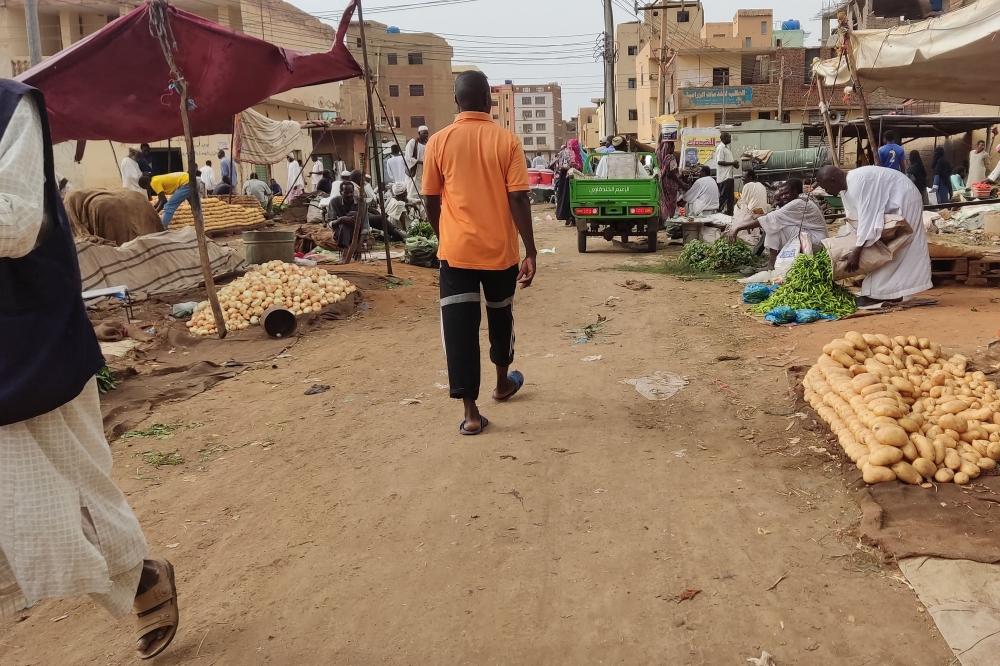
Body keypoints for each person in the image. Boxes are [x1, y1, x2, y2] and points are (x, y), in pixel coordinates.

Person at [0, 79, 179, 661]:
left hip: (27, 343)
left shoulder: (11, 107)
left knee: (64, 497)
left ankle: (139, 574)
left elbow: (14, 224)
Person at [423, 69, 536, 436]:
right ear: (489, 100)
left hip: (455, 254)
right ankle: (503, 384)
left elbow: (430, 199)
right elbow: (518, 197)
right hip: (500, 253)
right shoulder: (507, 141)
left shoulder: (437, 142)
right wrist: (530, 250)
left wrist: (444, 235)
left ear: (457, 101)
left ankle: (471, 415)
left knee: (459, 329)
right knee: (500, 319)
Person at [816, 165, 932, 304]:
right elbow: (854, 219)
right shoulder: (846, 189)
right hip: (891, 204)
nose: (826, 191)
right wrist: (851, 245)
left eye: (826, 187)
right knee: (881, 245)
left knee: (899, 244)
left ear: (833, 180)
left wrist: (857, 250)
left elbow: (868, 217)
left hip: (904, 199)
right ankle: (886, 291)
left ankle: (887, 292)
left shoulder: (858, 183)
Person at [727, 179, 828, 270]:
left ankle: (771, 264)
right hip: (813, 238)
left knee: (774, 226)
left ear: (795, 191)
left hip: (815, 241)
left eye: (786, 193)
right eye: (781, 195)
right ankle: (776, 259)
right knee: (774, 223)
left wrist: (739, 228)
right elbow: (772, 213)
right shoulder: (800, 199)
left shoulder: (797, 203)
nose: (784, 197)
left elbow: (770, 218)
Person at [327, 180, 365, 253]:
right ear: (341, 192)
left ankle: (345, 251)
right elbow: (330, 223)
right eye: (346, 192)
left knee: (354, 214)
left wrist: (360, 244)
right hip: (340, 234)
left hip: (357, 232)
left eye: (351, 192)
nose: (349, 195)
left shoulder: (360, 202)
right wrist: (341, 220)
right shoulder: (334, 202)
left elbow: (365, 224)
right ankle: (346, 250)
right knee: (344, 224)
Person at [555, 139, 584, 225]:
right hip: (576, 178)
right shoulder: (578, 155)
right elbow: (581, 168)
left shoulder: (563, 153)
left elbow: (558, 167)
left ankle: (568, 216)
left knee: (566, 197)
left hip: (564, 179)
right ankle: (573, 217)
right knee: (574, 197)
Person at [656, 137, 681, 219]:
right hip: (670, 185)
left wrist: (664, 135)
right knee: (671, 203)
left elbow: (659, 143)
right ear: (669, 147)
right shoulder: (671, 157)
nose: (674, 148)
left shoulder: (659, 154)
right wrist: (683, 184)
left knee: (664, 202)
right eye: (673, 146)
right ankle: (669, 219)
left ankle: (664, 220)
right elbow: (673, 175)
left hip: (663, 183)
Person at [713, 132, 737, 215]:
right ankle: (715, 212)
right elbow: (720, 162)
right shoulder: (721, 148)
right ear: (723, 138)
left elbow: (728, 162)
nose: (730, 139)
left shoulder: (727, 148)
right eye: (728, 138)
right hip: (724, 177)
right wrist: (733, 163)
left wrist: (734, 164)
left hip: (729, 176)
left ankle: (730, 215)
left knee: (731, 198)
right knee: (723, 197)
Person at [405, 125, 430, 193]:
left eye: (427, 133)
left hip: (424, 171)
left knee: (423, 191)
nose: (426, 135)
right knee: (412, 191)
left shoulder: (428, 143)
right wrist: (420, 162)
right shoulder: (412, 142)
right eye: (424, 133)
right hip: (414, 171)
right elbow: (408, 158)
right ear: (419, 133)